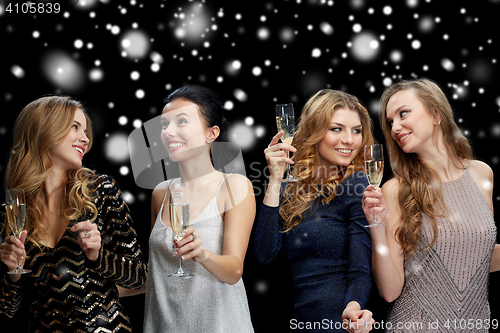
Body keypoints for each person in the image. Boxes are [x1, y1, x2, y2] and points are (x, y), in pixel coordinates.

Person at [362, 78, 500, 332]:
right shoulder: (395, 190)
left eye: (403, 114)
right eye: (390, 122)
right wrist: (375, 224)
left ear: (436, 113)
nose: (395, 128)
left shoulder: (482, 175)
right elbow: (390, 291)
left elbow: (478, 255)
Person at [0, 96, 147, 332]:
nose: (85, 139)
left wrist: (98, 256)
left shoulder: (100, 191)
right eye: (74, 127)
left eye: (86, 131)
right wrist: (12, 274)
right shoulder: (16, 211)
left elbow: (140, 277)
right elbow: (7, 310)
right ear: (43, 129)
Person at [254, 89, 375, 333]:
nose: (349, 140)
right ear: (315, 132)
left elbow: (360, 270)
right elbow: (263, 255)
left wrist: (354, 306)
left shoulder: (357, 184)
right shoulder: (291, 191)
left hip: (340, 323)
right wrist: (275, 181)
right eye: (337, 129)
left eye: (356, 130)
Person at [141, 85, 255, 332]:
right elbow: (156, 274)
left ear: (211, 133)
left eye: (181, 121)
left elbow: (234, 270)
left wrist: (202, 254)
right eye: (164, 124)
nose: (169, 131)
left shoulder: (234, 186)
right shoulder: (161, 192)